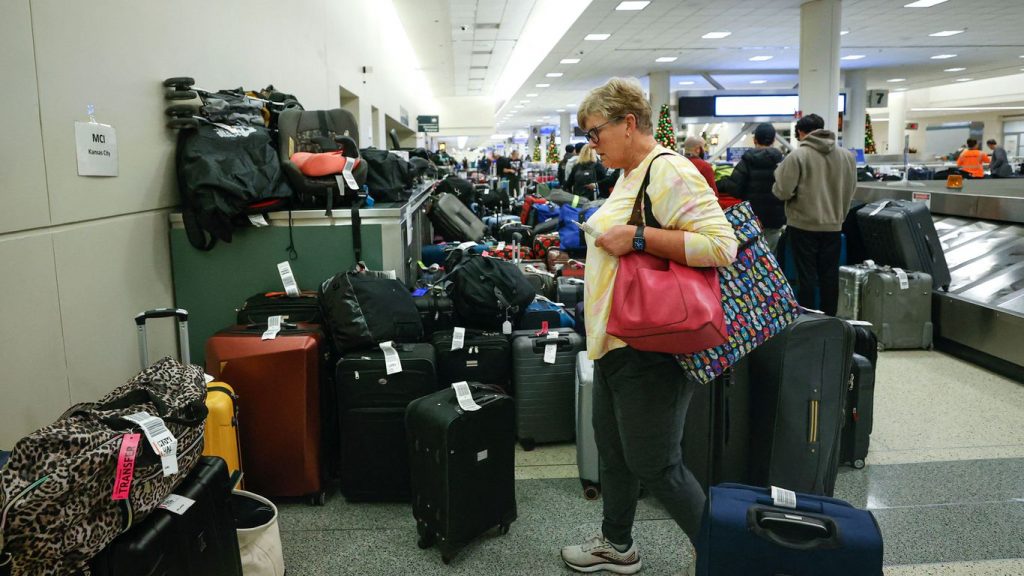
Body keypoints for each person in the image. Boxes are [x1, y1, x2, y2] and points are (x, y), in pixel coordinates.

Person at [560, 77, 738, 576]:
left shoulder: (669, 171)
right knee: (613, 453)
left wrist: (636, 238)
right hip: (615, 341)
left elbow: (721, 247)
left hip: (652, 344)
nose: (591, 146)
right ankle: (617, 546)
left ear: (628, 123)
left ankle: (725, 555)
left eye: (595, 134)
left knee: (657, 464)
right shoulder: (629, 174)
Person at [772, 113, 857, 317]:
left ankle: (808, 320)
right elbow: (851, 189)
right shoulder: (846, 156)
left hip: (803, 226)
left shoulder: (798, 156)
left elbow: (782, 191)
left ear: (801, 132)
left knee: (806, 276)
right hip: (834, 226)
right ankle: (830, 319)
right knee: (830, 275)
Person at [717, 123, 786, 250]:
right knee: (772, 255)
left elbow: (734, 189)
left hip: (752, 217)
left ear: (755, 140)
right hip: (775, 217)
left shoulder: (747, 161)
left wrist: (722, 183)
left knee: (753, 255)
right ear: (773, 140)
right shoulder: (782, 162)